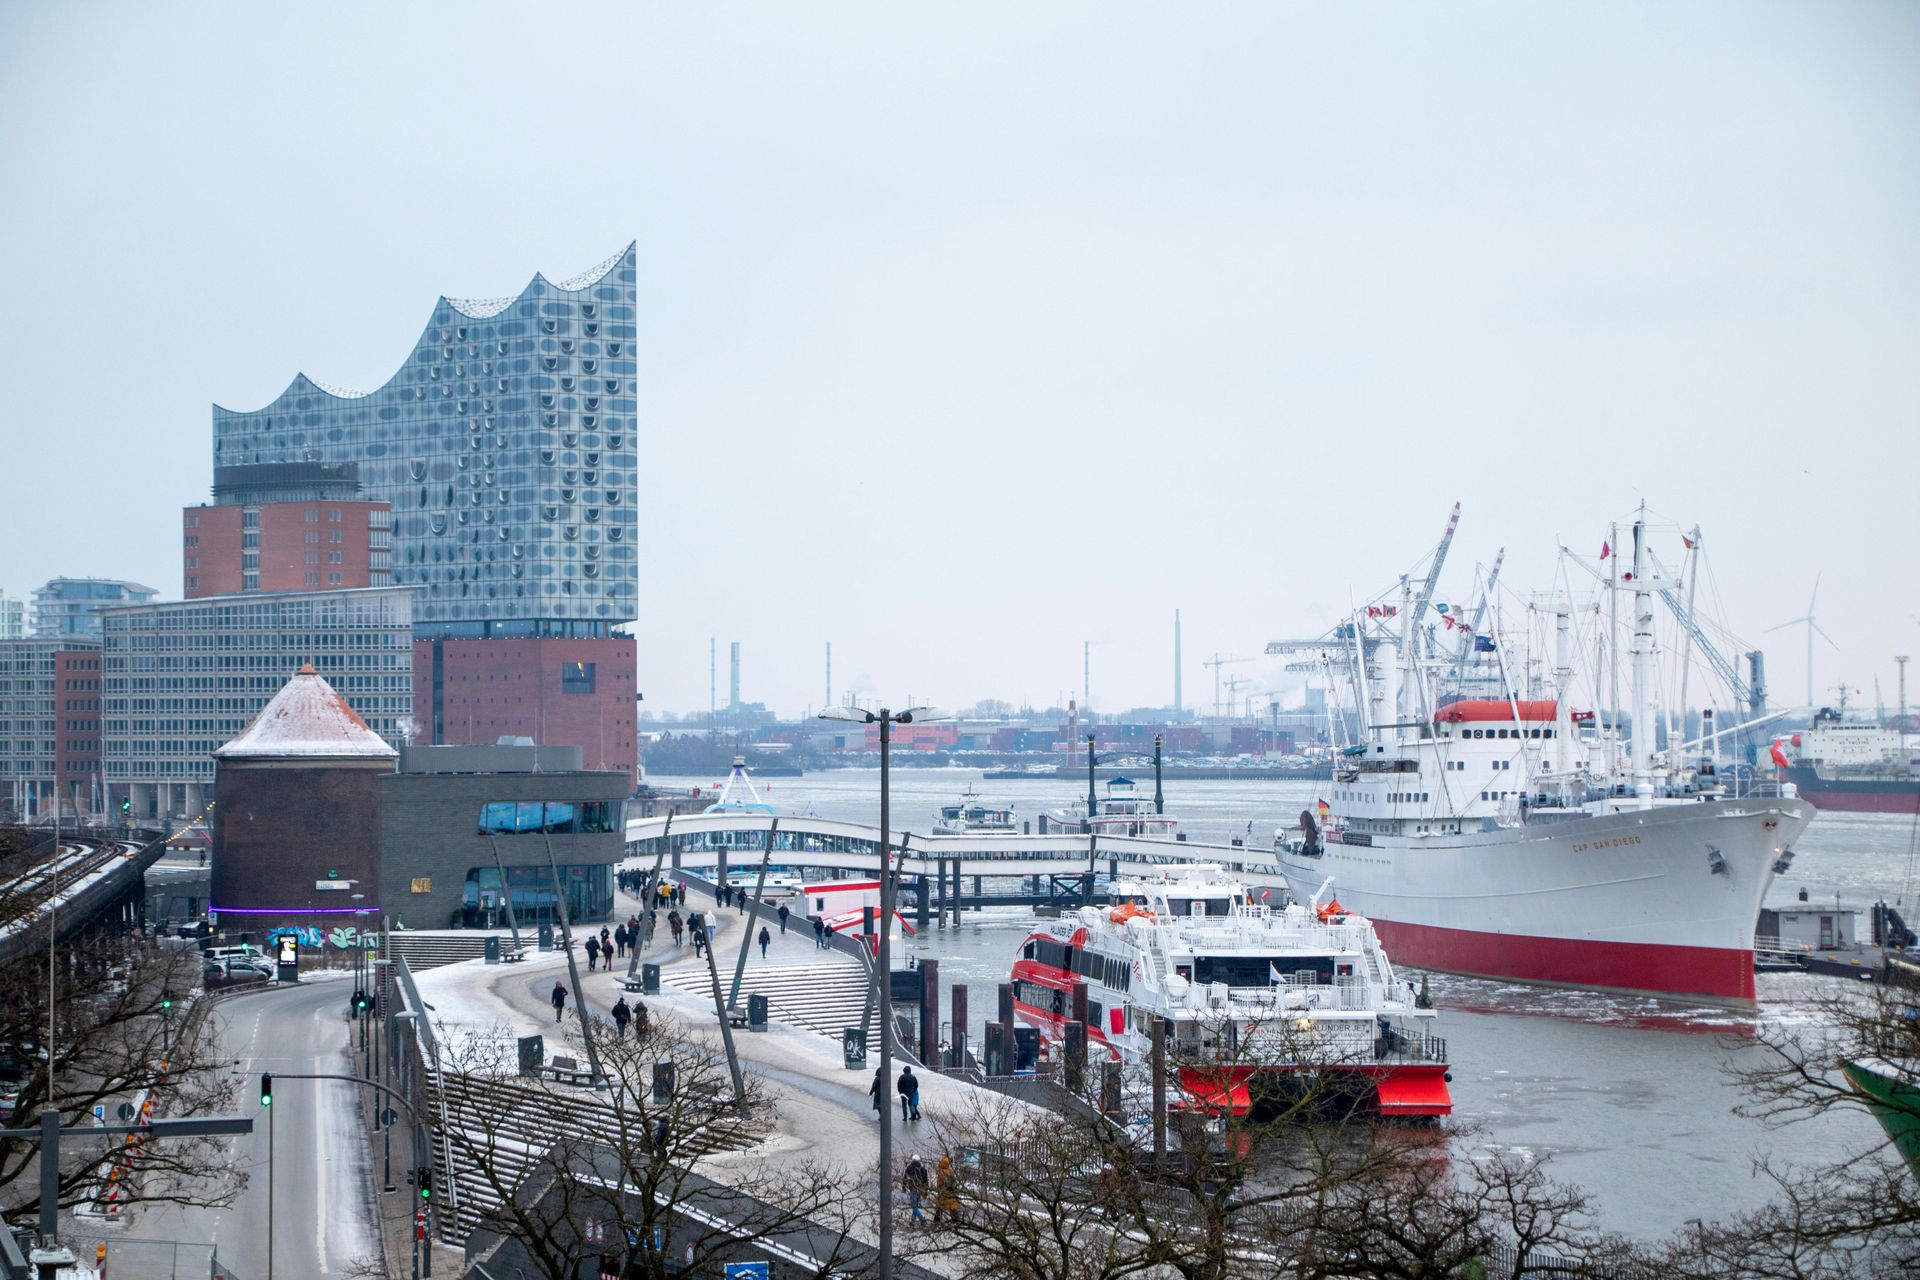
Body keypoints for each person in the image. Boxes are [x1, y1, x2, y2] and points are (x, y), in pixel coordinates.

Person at [903, 1155, 930, 1224]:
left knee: (914, 1206)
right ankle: (912, 1220)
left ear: (912, 1160)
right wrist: (925, 1192)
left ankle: (921, 1219)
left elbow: (905, 1179)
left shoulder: (909, 1168)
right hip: (920, 1189)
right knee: (916, 1205)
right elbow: (926, 1181)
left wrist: (904, 1188)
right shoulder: (923, 1169)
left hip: (912, 1188)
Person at [934, 1154, 959, 1224]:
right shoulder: (951, 1171)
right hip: (951, 1192)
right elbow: (955, 1182)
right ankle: (956, 1221)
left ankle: (936, 1222)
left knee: (940, 1207)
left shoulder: (941, 1172)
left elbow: (939, 1183)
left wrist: (939, 1190)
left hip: (944, 1192)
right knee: (953, 1206)